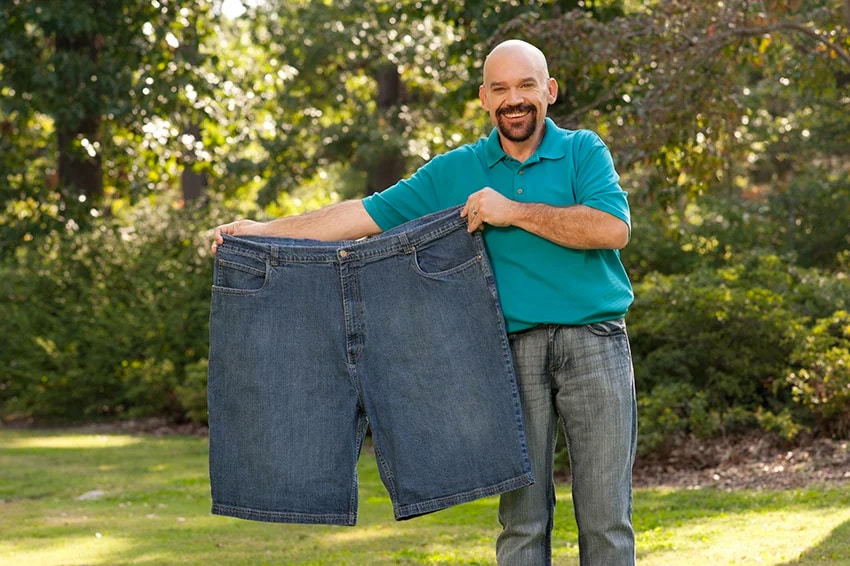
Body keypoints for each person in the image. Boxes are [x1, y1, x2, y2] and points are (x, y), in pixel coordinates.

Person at [212, 39, 637, 566]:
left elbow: (612, 229)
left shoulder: (583, 151)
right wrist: (264, 232)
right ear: (484, 98)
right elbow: (362, 215)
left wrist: (513, 211)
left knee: (606, 520)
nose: (514, 99)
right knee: (523, 522)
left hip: (595, 343)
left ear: (548, 90)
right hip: (509, 355)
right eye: (500, 88)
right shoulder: (455, 171)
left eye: (526, 85)